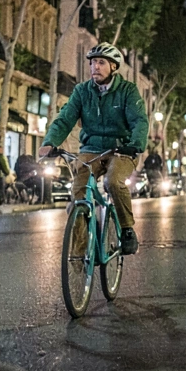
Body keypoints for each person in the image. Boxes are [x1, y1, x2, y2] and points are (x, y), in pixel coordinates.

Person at [40, 42, 149, 255]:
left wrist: (134, 145)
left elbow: (139, 121)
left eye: (101, 62)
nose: (94, 67)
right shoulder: (82, 91)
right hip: (91, 149)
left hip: (121, 150)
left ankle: (127, 229)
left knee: (113, 182)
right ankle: (80, 254)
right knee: (77, 195)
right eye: (92, 63)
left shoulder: (128, 91)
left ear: (114, 67)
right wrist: (49, 143)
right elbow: (65, 119)